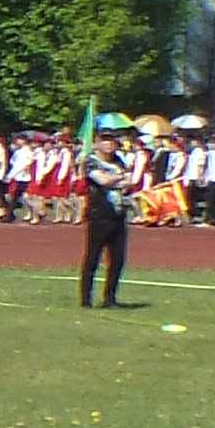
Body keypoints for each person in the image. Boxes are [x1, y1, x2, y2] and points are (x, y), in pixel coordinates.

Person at [78, 132, 133, 308]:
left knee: (117, 259)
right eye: (105, 140)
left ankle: (110, 298)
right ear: (97, 143)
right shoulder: (91, 160)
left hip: (118, 213)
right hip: (99, 213)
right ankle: (86, 299)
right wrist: (119, 178)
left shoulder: (118, 160)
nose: (109, 144)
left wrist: (117, 180)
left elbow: (130, 182)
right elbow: (102, 180)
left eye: (112, 141)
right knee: (93, 257)